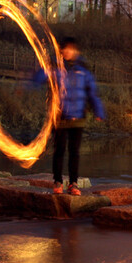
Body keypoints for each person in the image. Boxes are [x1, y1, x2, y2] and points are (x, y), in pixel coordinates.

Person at [33, 38, 105, 195]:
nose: (67, 52)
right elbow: (38, 79)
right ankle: (57, 182)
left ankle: (74, 184)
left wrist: (98, 111)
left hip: (78, 118)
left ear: (75, 51)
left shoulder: (83, 71)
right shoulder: (55, 68)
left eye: (70, 49)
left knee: (74, 152)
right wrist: (46, 66)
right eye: (64, 49)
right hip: (60, 117)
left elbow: (91, 93)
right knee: (59, 150)